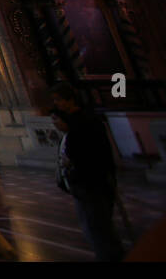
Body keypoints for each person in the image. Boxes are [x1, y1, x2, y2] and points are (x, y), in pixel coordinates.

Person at [51, 83, 124, 261]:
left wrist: (70, 161)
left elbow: (87, 153)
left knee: (97, 226)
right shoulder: (82, 121)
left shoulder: (82, 123)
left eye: (59, 100)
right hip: (88, 181)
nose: (57, 104)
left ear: (70, 100)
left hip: (91, 181)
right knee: (96, 225)